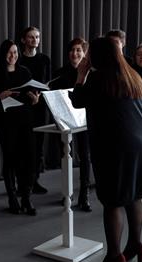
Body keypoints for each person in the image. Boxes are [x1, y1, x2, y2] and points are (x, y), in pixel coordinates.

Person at [70, 37, 142, 262]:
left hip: (114, 147)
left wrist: (81, 75)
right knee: (134, 195)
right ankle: (134, 245)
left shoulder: (98, 78)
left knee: (112, 201)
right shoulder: (132, 75)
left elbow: (77, 100)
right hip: (140, 143)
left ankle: (114, 256)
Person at [0, 39, 39, 215]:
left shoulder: (24, 72)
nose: (13, 56)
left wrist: (35, 99)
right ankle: (12, 198)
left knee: (29, 159)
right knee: (10, 159)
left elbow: (32, 97)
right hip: (6, 122)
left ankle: (26, 197)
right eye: (10, 52)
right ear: (3, 54)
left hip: (25, 120)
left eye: (16, 52)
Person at [49, 38, 92, 212]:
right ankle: (67, 193)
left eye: (79, 50)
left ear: (84, 54)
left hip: (84, 119)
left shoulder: (91, 73)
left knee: (85, 155)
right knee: (65, 155)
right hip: (65, 120)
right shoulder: (60, 73)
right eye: (72, 50)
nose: (74, 54)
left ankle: (84, 194)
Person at [19, 26, 51, 194]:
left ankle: (34, 180)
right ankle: (22, 182)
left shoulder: (45, 59)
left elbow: (48, 83)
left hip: (40, 106)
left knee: (38, 146)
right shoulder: (19, 60)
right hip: (23, 107)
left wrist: (40, 95)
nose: (35, 40)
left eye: (37, 37)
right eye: (31, 37)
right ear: (24, 40)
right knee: (24, 145)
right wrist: (28, 95)